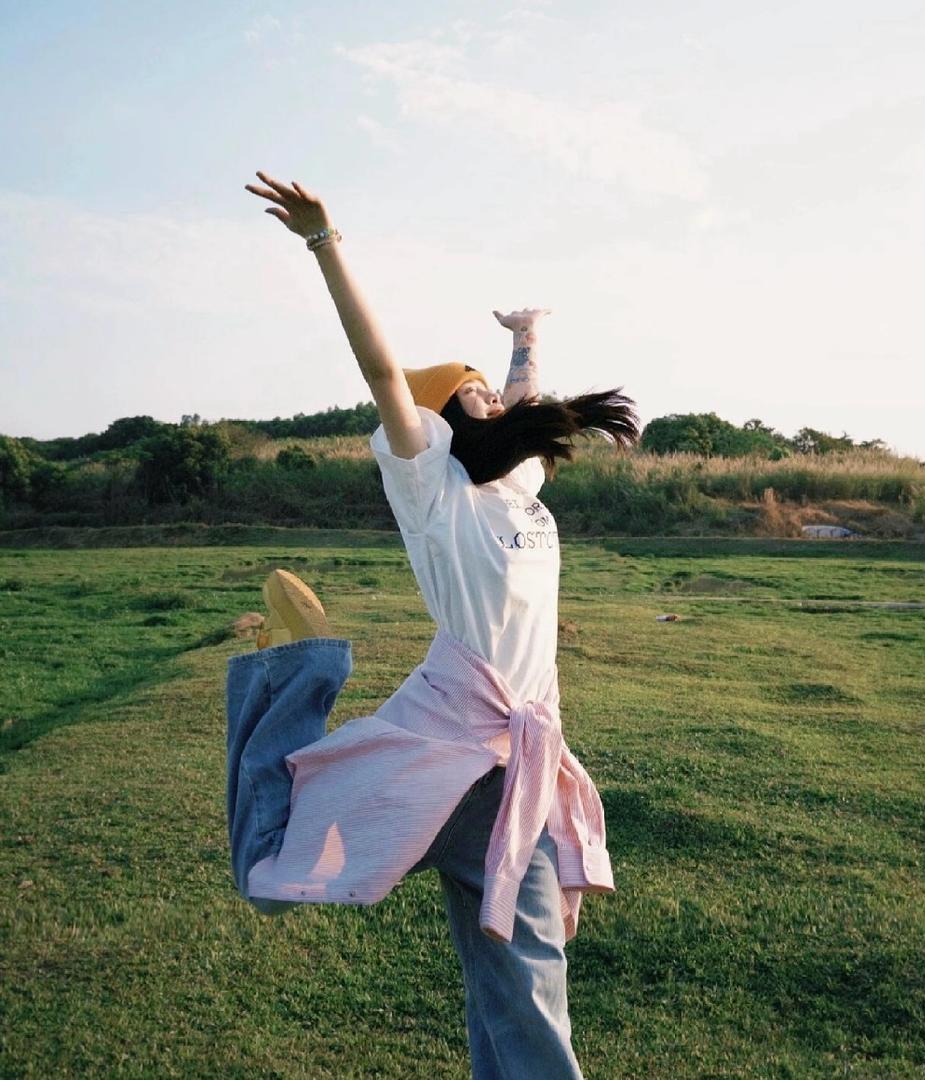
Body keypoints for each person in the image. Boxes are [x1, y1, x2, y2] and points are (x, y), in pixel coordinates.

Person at [230, 171, 639, 1079]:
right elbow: (381, 372)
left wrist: (528, 338)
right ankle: (295, 671)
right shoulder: (433, 486)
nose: (497, 399)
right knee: (284, 868)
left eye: (497, 393)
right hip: (449, 755)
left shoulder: (517, 486)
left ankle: (294, 668)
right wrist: (324, 242)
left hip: (517, 763)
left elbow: (526, 400)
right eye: (477, 395)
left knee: (510, 973)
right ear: (442, 419)